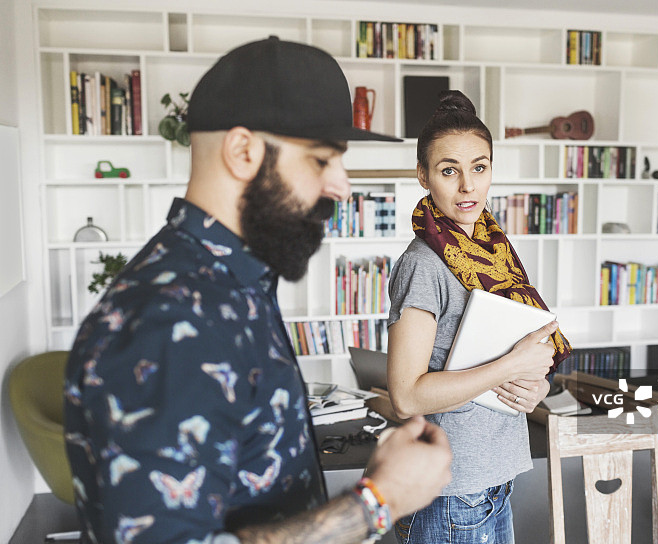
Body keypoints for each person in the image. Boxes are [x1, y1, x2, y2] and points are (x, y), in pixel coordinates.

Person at [63, 37, 452, 544]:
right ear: (243, 151)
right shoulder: (169, 323)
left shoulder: (229, 286)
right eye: (320, 160)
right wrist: (377, 503)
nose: (343, 185)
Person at [386, 90, 572, 544]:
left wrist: (533, 386)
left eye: (479, 167)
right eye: (449, 170)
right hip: (450, 493)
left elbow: (506, 356)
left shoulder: (493, 249)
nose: (468, 186)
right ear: (423, 176)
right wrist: (510, 367)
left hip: (491, 480)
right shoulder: (424, 264)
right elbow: (407, 397)